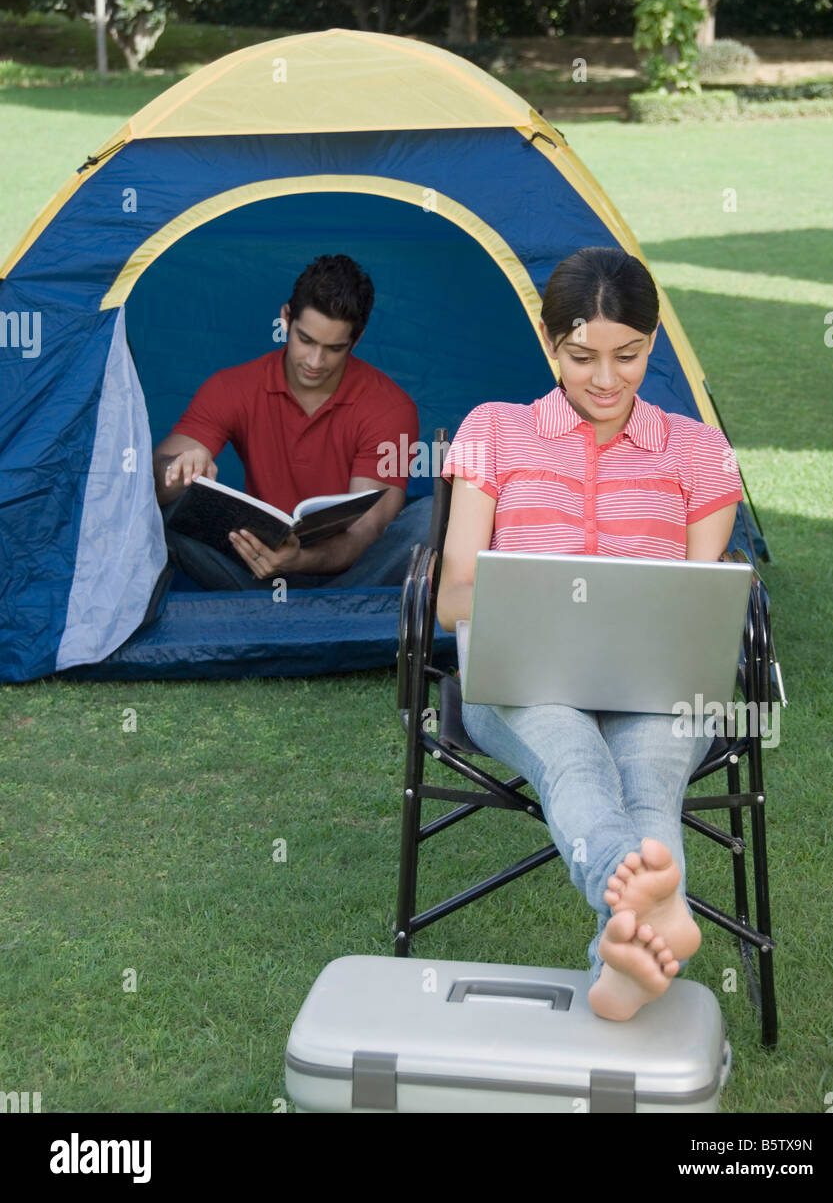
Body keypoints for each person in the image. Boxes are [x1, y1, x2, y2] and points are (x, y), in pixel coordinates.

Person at [436, 247, 744, 1022]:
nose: (605, 380)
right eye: (580, 357)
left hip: (657, 685)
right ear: (549, 343)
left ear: (652, 344)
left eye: (628, 356)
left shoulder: (700, 453)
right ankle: (640, 905)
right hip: (522, 679)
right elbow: (450, 597)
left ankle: (627, 947)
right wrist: (493, 600)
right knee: (573, 758)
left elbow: (699, 598)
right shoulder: (493, 432)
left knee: (645, 779)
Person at [153, 253, 431, 591]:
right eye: (306, 340)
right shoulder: (231, 388)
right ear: (286, 318)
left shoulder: (390, 406)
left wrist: (301, 559)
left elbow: (366, 530)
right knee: (163, 508)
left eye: (334, 348)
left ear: (356, 341)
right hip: (253, 572)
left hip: (351, 584)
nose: (315, 361)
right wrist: (178, 472)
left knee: (429, 518)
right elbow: (149, 487)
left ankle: (325, 625)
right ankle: (286, 623)